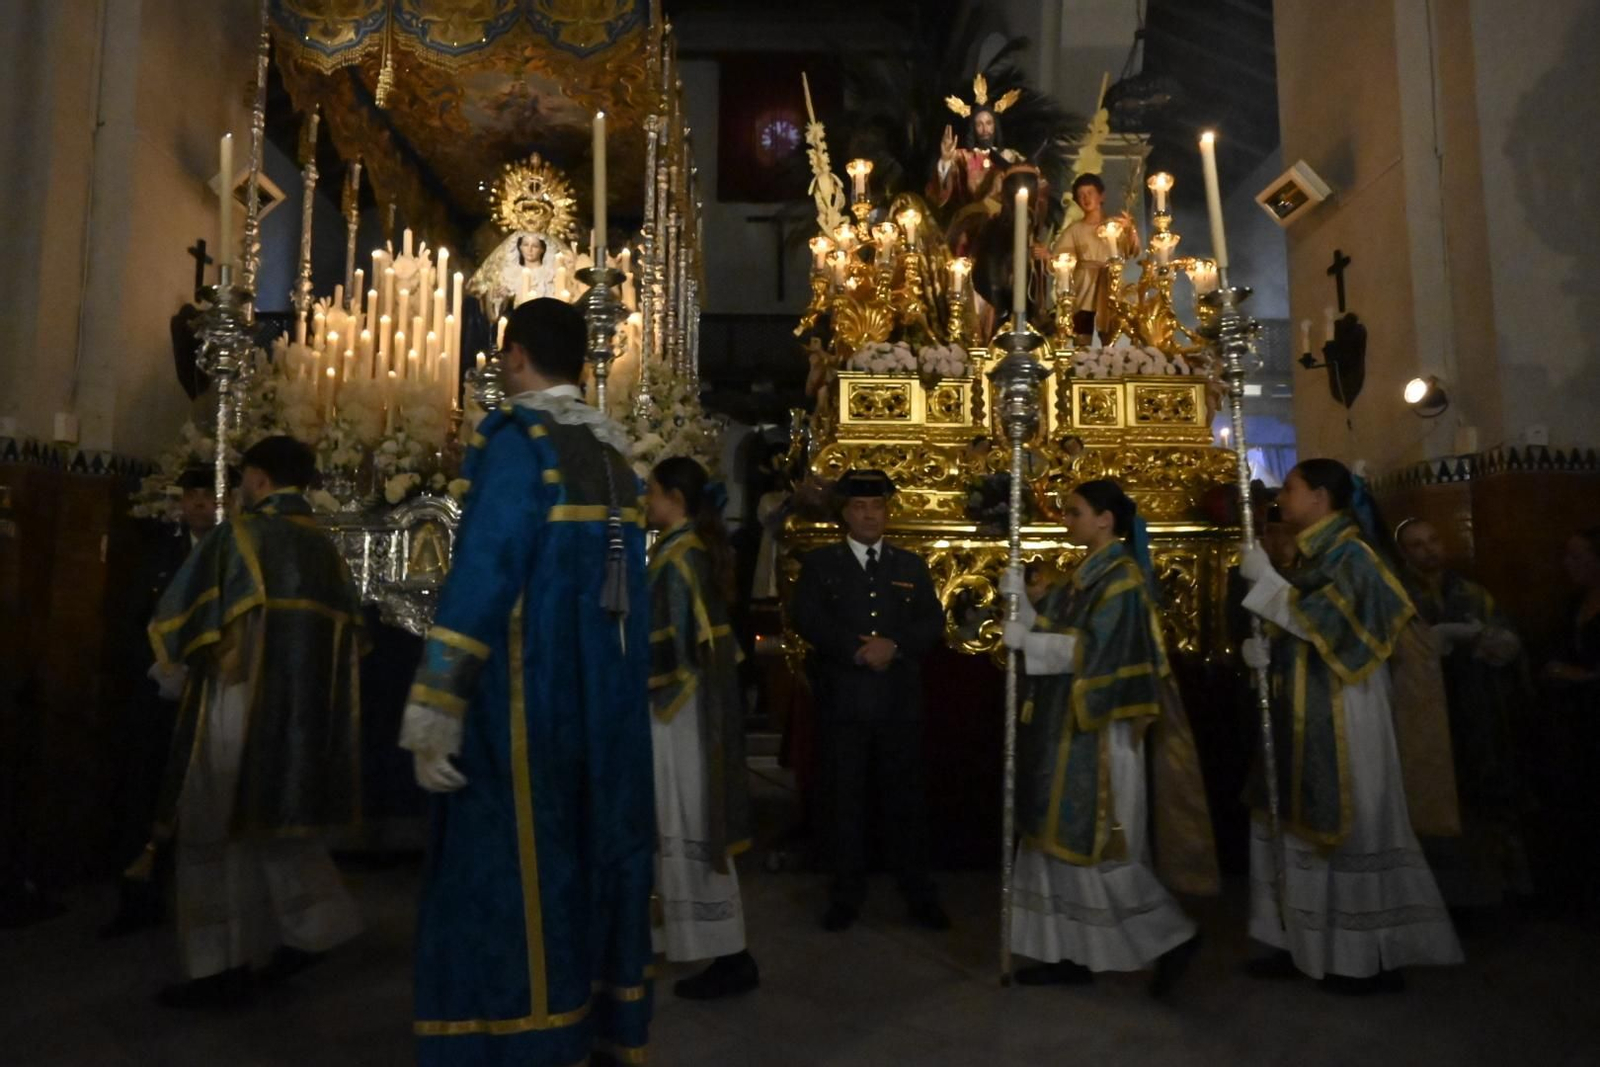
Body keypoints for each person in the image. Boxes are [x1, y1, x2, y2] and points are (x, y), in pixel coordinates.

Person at [399, 298, 655, 1066]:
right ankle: (586, 1023)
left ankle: (522, 1036)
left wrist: (437, 700)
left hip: (522, 703)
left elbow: (484, 575)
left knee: (510, 869)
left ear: (514, 355)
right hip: (600, 705)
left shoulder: (519, 444)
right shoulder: (609, 452)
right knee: (587, 853)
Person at [146, 436, 366, 1009]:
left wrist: (170, 672)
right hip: (299, 716)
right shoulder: (326, 551)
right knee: (277, 825)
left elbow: (185, 619)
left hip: (236, 701)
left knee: (212, 831)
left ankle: (220, 964)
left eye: (245, 476)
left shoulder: (239, 536)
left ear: (259, 477)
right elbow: (354, 641)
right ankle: (315, 929)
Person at [1237, 459, 1462, 993]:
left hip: (1346, 711)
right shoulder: (1314, 554)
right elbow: (1299, 626)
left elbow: (1338, 631)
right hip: (1302, 707)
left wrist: (1266, 584)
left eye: (1291, 489)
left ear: (1320, 497)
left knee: (1356, 821)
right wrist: (1264, 651)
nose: (1282, 497)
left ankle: (1366, 957)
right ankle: (1300, 942)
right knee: (1287, 824)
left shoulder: (1354, 555)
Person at [1001, 479, 1217, 995]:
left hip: (1097, 733)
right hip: (1064, 726)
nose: (1066, 519)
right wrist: (1021, 606)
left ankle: (1172, 937)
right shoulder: (1084, 577)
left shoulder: (1122, 581)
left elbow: (1095, 653)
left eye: (1074, 512)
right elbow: (1050, 630)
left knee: (1096, 848)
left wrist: (1028, 640)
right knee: (1049, 843)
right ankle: (1066, 952)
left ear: (1105, 520)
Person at [790, 469, 950, 932]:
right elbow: (807, 617)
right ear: (845, 514)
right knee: (845, 801)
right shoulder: (822, 564)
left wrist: (894, 646)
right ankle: (845, 894)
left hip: (898, 701)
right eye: (860, 507)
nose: (869, 515)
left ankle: (918, 893)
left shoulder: (909, 566)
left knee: (906, 800)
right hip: (845, 700)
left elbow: (931, 621)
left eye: (876, 507)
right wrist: (855, 650)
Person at [644, 456, 759, 1000]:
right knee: (679, 824)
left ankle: (731, 955)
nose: (646, 501)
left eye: (651, 492)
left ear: (675, 498)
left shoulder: (680, 557)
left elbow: (675, 645)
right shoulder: (685, 549)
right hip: (688, 709)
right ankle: (684, 936)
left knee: (689, 824)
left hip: (677, 712)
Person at [101, 466, 225, 939]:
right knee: (145, 792)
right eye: (192, 495)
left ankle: (206, 911)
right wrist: (156, 668)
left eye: (208, 495)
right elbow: (134, 620)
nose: (199, 504)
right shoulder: (161, 555)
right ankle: (139, 900)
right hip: (160, 696)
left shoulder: (233, 556)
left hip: (213, 693)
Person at [1394, 518, 1531, 910]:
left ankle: (1495, 893)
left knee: (1484, 802)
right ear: (1404, 554)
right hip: (1422, 716)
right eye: (1417, 545)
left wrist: (1495, 641)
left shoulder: (1471, 593)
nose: (1429, 550)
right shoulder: (1399, 597)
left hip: (1475, 709)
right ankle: (1442, 900)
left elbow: (1507, 640)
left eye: (1433, 540)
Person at [1052, 174, 1139, 343]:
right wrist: (1049, 257)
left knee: (1111, 327)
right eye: (1081, 195)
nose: (1086, 198)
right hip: (1084, 284)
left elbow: (1131, 250)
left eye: (1090, 193)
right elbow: (1060, 257)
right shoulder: (1075, 230)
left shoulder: (1114, 226)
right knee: (1082, 329)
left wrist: (1130, 230)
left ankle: (1110, 356)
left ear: (1101, 196)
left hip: (1110, 281)